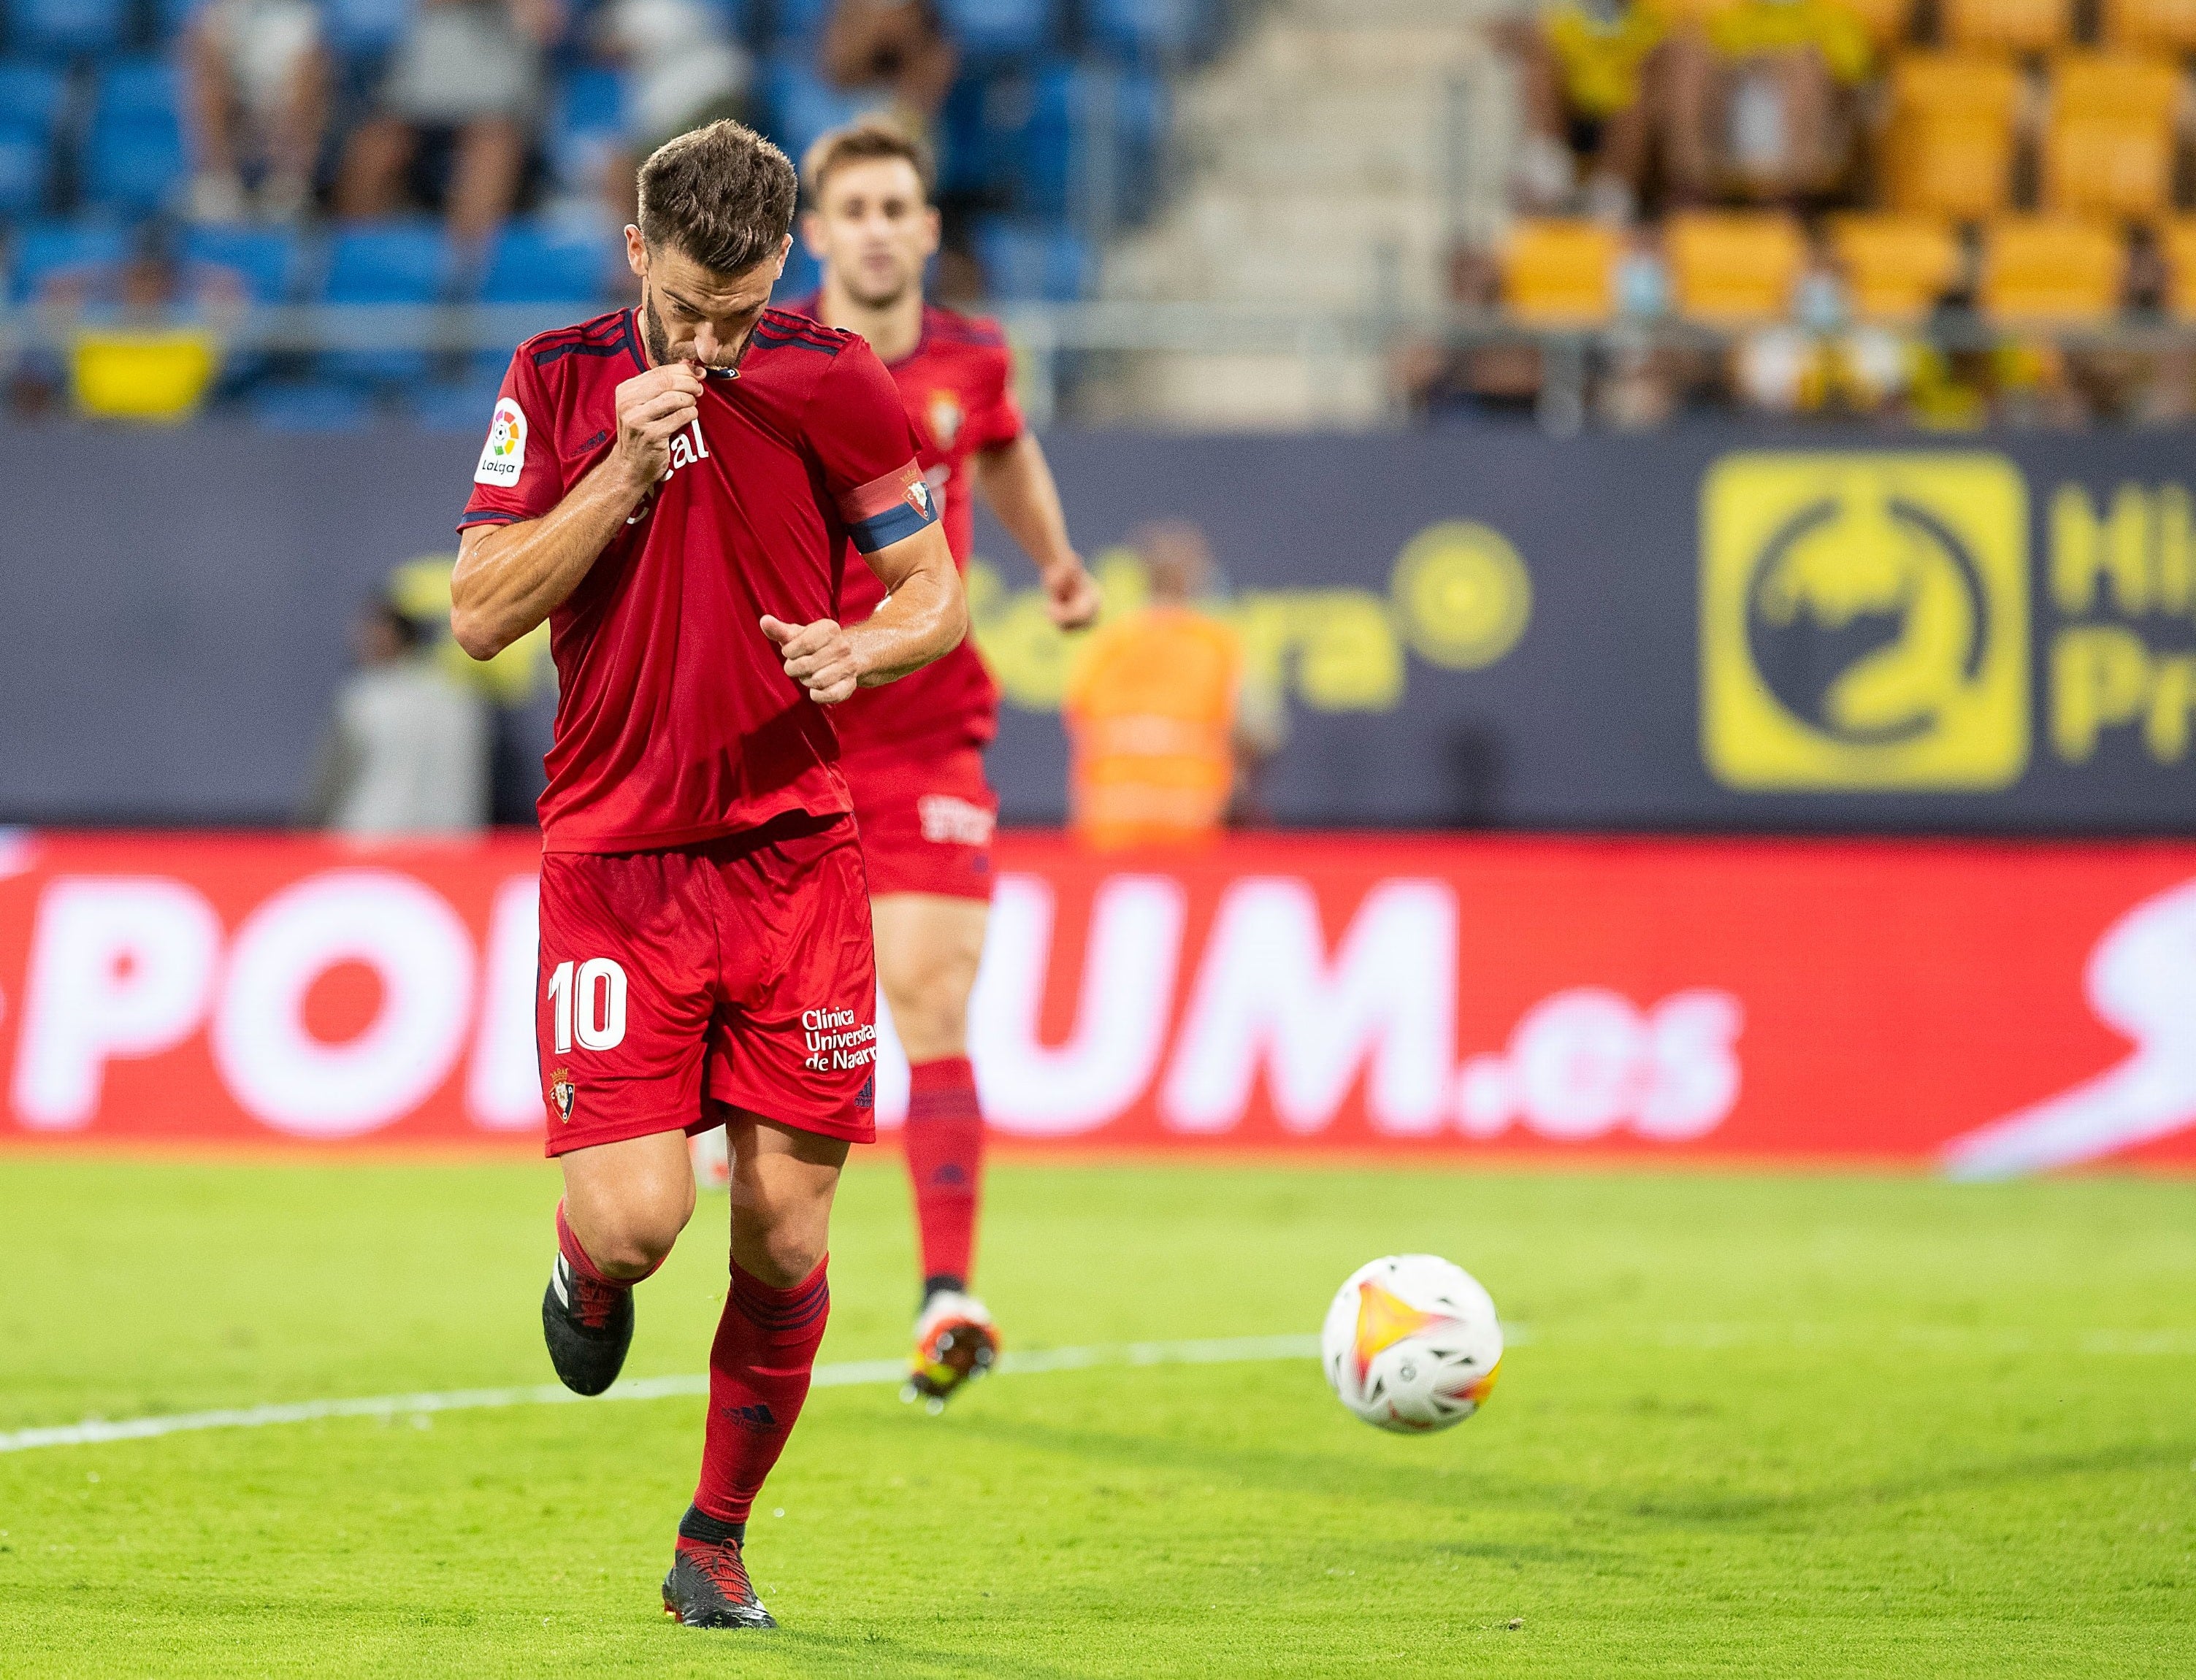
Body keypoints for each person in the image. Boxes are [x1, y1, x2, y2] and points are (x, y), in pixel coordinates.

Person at [448, 119, 965, 1630]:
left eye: (739, 312)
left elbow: (929, 585)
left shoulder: (832, 381)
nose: (714, 340)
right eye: (686, 309)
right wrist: (620, 464)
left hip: (795, 860)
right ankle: (584, 1277)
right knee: (635, 1222)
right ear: (635, 261)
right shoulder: (553, 383)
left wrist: (865, 645)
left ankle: (714, 1541)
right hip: (615, 861)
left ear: (782, 272)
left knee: (790, 1233)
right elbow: (480, 613)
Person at [780, 120, 1101, 1408]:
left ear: (925, 229)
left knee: (926, 995)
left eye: (892, 205)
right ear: (814, 231)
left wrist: (1056, 558)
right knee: (784, 1020)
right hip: (794, 718)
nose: (871, 225)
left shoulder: (973, 357)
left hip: (927, 728)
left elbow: (1006, 443)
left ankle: (944, 1294)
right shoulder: (775, 356)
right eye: (848, 206)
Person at [1062, 521, 1280, 850]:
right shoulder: (1219, 647)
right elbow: (1260, 732)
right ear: (1195, 578)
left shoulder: (1108, 645)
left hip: (1110, 828)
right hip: (1191, 828)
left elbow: (1078, 719)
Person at [335, 0, 563, 244]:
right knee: (374, 149)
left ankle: (462, 273)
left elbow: (547, 26)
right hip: (416, 101)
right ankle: (358, 266)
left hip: (499, 105)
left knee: (492, 150)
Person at [300, 594, 490, 835]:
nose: (362, 642)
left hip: (370, 844)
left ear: (396, 635)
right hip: (453, 846)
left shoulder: (364, 698)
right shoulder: (464, 698)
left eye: (372, 632)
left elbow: (329, 785)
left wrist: (304, 838)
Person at [183, 0, 331, 222]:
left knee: (310, 73)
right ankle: (221, 184)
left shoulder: (306, 17)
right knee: (207, 72)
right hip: (239, 106)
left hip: (284, 104)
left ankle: (287, 184)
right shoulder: (219, 14)